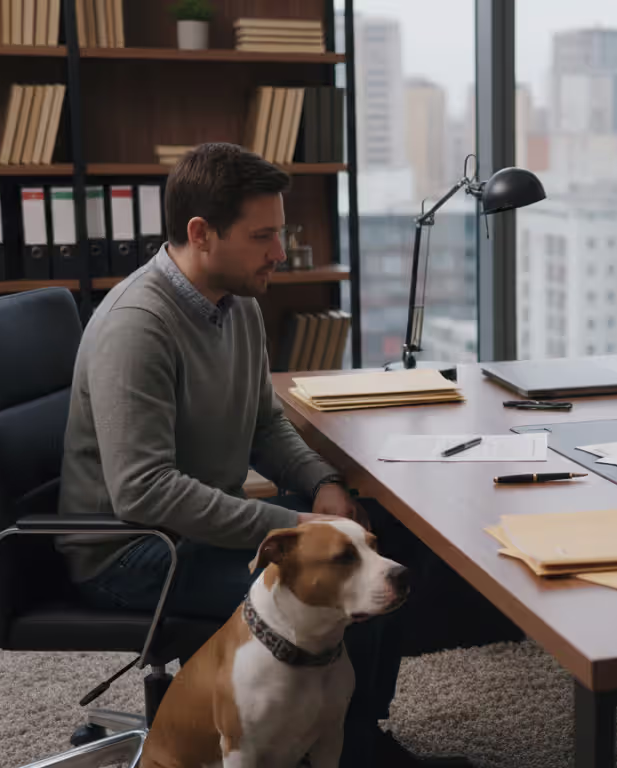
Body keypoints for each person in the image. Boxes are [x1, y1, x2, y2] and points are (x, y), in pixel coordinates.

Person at [56, 143, 465, 767]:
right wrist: (291, 523)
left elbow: (263, 420)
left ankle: (353, 734)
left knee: (380, 545)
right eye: (264, 235)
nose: (279, 251)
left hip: (198, 529)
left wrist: (323, 485)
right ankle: (356, 751)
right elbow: (143, 492)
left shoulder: (238, 301)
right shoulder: (137, 327)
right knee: (335, 585)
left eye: (282, 231)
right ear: (202, 234)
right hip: (135, 550)